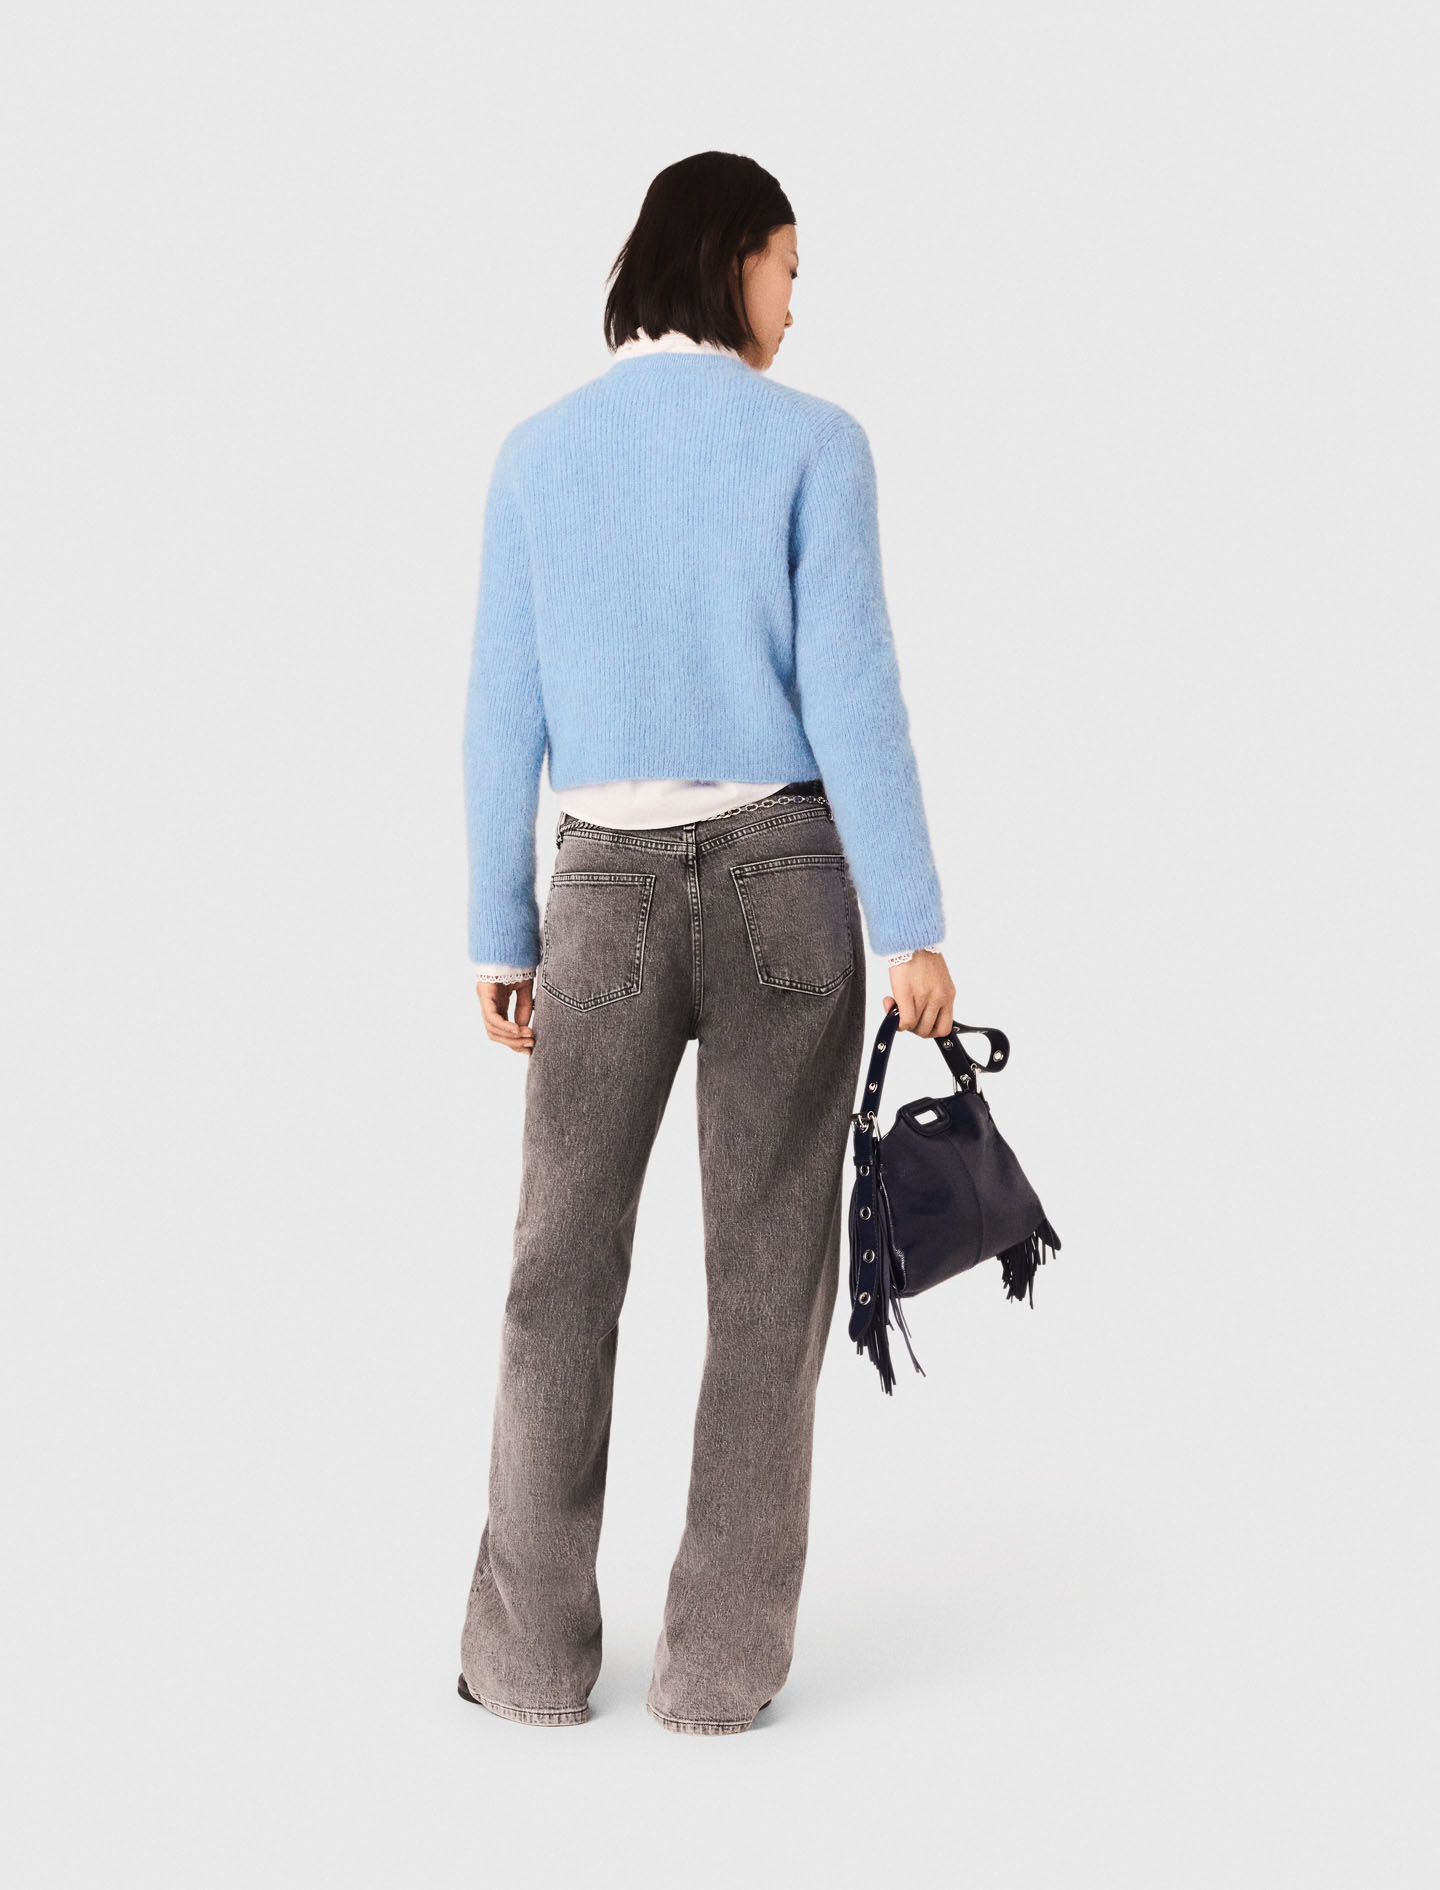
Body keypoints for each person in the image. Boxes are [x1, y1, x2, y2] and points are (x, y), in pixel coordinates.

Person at [458, 150, 955, 1734]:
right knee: (766, 1277)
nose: (797, 305)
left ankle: (527, 1660)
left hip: (595, 894)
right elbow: (854, 692)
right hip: (784, 883)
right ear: (730, 255)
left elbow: (500, 712)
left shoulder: (538, 454)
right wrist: (915, 926)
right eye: (788, 269)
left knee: (556, 1273)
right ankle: (719, 1673)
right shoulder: (815, 444)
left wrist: (498, 929)